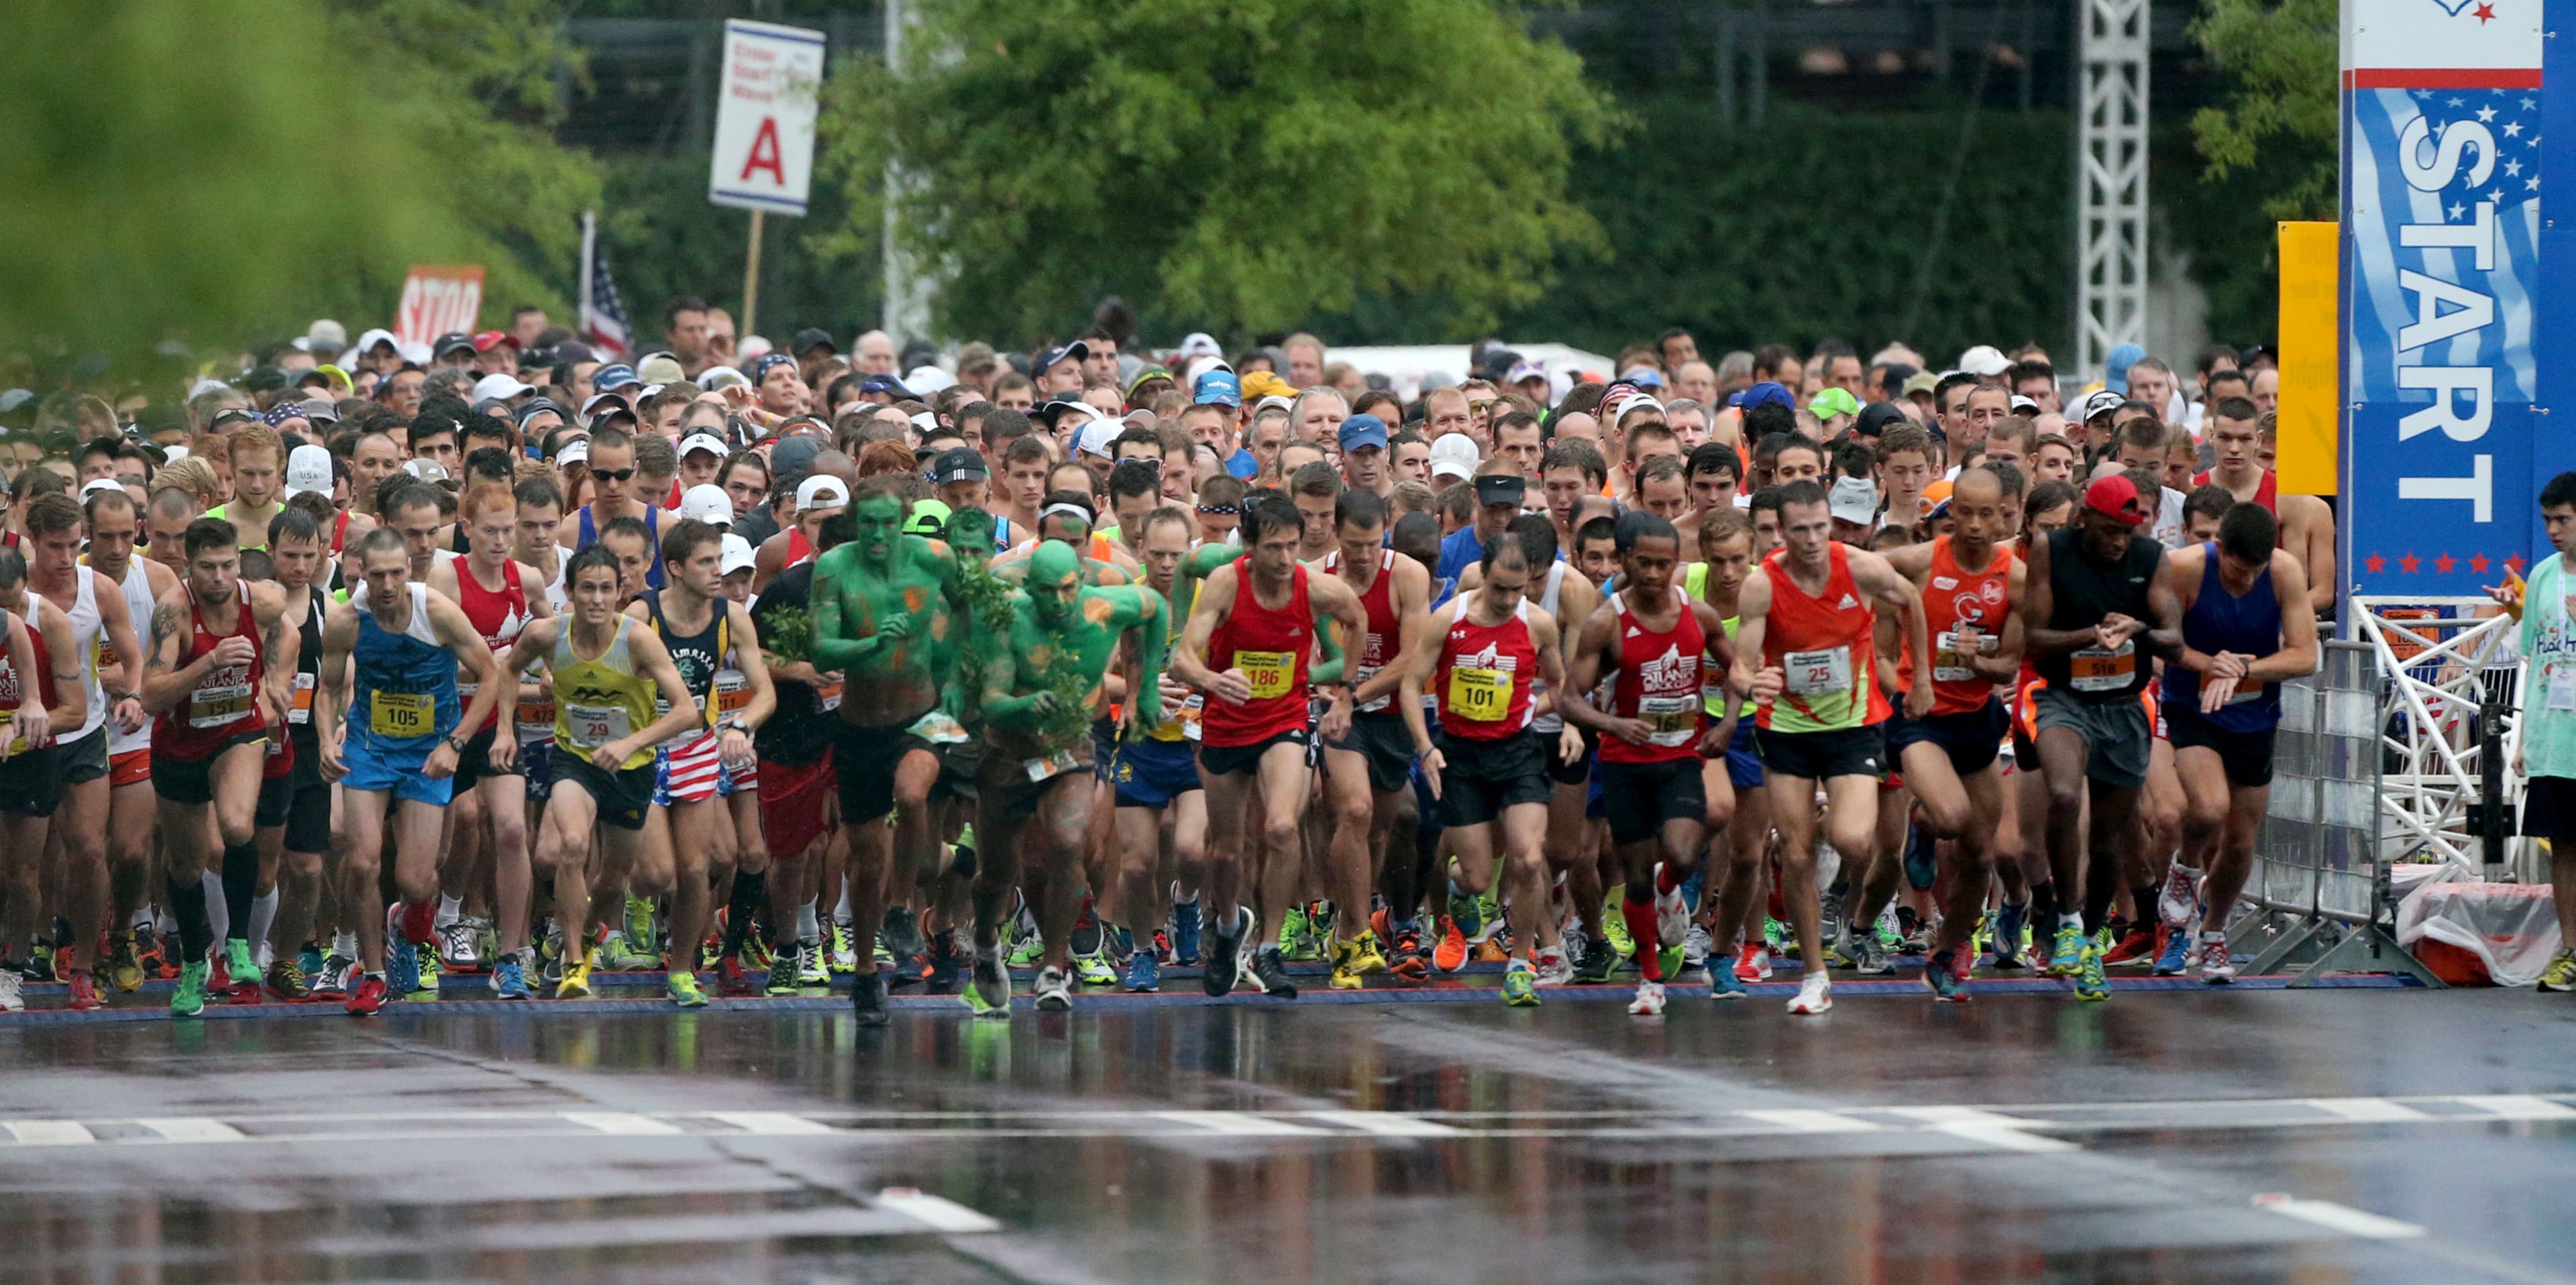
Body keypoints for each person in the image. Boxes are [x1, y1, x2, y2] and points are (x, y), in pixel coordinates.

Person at [1730, 478, 1929, 1015]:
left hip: (1852, 725)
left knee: (1853, 838)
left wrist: (1922, 678)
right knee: (1795, 854)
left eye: (1821, 526)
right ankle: (1814, 974)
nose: (1814, 539)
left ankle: (1832, 867)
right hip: (1788, 728)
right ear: (1782, 532)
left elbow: (1911, 596)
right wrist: (1754, 684)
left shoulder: (1857, 567)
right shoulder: (1763, 584)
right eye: (1801, 530)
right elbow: (1741, 666)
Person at [1167, 494, 1366, 998]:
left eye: (1292, 548)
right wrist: (1213, 680)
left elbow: (1356, 617)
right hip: (1227, 724)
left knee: (1281, 827)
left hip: (1283, 719)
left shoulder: (1314, 586)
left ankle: (1271, 948)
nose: (1284, 560)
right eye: (1273, 548)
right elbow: (1181, 660)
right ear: (1249, 547)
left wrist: (1346, 693)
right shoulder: (1226, 582)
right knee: (1226, 852)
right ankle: (1230, 924)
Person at [963, 540, 1165, 1013]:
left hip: (1069, 747)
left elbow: (1154, 609)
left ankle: (1055, 969)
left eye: (1068, 589)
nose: (1059, 601)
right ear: (1030, 589)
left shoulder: (1104, 607)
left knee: (1070, 842)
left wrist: (1145, 690)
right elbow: (990, 700)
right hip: (1008, 752)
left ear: (1081, 583)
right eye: (1048, 591)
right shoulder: (1006, 615)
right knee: (995, 874)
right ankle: (987, 942)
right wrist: (1021, 705)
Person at [498, 546, 704, 1001]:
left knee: (613, 881)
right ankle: (574, 963)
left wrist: (631, 742)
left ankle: (585, 934)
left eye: (606, 589)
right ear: (569, 592)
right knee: (571, 845)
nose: (596, 599)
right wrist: (503, 731)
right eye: (586, 589)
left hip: (631, 767)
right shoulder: (548, 634)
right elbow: (508, 671)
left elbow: (688, 711)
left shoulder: (637, 640)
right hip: (576, 759)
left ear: (620, 592)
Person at [315, 528, 504, 1013]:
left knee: (418, 881)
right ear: (360, 571)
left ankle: (410, 919)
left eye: (397, 573)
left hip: (427, 754)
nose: (387, 585)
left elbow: (490, 676)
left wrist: (455, 744)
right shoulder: (346, 621)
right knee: (362, 861)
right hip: (369, 748)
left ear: (410, 571)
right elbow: (327, 688)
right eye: (377, 574)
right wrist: (324, 739)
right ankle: (374, 974)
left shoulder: (436, 610)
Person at [808, 477, 970, 1023]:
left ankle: (904, 906)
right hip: (858, 725)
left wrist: (955, 677)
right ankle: (865, 973)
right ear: (857, 522)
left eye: (888, 522)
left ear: (901, 520)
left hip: (921, 716)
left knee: (914, 793)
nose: (878, 533)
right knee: (865, 859)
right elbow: (820, 645)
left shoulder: (936, 559)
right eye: (868, 522)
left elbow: (973, 611)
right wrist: (872, 643)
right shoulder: (835, 567)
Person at [1562, 511, 1735, 1015]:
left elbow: (1737, 670)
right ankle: (1651, 979)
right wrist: (1612, 725)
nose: (1655, 575)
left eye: (1665, 564)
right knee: (1634, 876)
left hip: (1682, 753)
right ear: (1625, 561)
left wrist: (1725, 723)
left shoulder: (1698, 614)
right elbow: (1570, 698)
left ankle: (1670, 890)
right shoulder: (1605, 622)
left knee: (1682, 855)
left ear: (1677, 563)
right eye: (1644, 564)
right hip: (1625, 763)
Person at [1400, 527, 1580, 1006]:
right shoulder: (1448, 618)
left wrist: (1553, 719)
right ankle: (1461, 891)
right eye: (1498, 587)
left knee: (1528, 856)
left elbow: (1560, 686)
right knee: (1477, 877)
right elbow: (1412, 683)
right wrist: (1425, 747)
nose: (1506, 599)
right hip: (1460, 753)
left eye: (1517, 590)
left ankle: (1522, 963)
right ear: (1483, 573)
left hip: (1517, 752)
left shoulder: (1539, 624)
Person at [2020, 473, 2182, 1001]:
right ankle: (2066, 918)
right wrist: (2092, 634)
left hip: (2123, 705)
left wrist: (2138, 631)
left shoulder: (2150, 557)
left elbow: (2175, 642)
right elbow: (2036, 641)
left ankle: (2089, 940)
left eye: (2127, 532)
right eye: (2110, 530)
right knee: (2065, 795)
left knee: (2111, 840)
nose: (2118, 541)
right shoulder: (2051, 549)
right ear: (2084, 518)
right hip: (2063, 696)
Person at [1874, 465, 2026, 999]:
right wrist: (1907, 690)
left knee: (1982, 854)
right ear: (1951, 513)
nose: (1979, 525)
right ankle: (1922, 821)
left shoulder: (2017, 577)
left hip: (1976, 719)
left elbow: (2009, 665)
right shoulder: (1917, 564)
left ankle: (1945, 953)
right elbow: (1882, 652)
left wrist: (1978, 662)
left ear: (2006, 515)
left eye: (1991, 515)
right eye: (1968, 513)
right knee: (1952, 817)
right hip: (1920, 719)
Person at [140, 518, 297, 1017]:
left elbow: (285, 631)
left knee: (235, 826)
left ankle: (238, 948)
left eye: (228, 565)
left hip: (238, 731)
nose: (219, 578)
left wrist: (274, 675)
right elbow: (149, 695)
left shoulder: (262, 600)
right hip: (181, 743)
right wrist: (209, 664)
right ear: (189, 566)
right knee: (185, 865)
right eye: (207, 567)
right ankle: (192, 960)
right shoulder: (174, 612)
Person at [2161, 501, 2316, 982]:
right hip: (2194, 706)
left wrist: (2246, 669)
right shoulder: (2185, 568)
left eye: (2256, 571)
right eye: (2236, 569)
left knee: (2241, 842)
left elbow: (2305, 654)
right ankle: (2186, 870)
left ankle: (2213, 931)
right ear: (2218, 547)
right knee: (2208, 808)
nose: (2246, 581)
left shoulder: (2284, 572)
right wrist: (2210, 664)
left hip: (2254, 713)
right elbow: (2162, 641)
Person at [627, 518, 774, 1008]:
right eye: (706, 562)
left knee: (697, 869)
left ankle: (683, 968)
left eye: (720, 561)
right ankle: (634, 898)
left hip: (695, 744)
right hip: (645, 746)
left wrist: (741, 727)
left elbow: (764, 692)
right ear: (674, 568)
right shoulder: (642, 614)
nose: (717, 571)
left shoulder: (732, 617)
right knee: (661, 874)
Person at [425, 486, 555, 997]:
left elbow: (551, 638)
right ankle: (423, 921)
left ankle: (512, 953)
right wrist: (494, 667)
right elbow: (436, 659)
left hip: (498, 721)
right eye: (491, 531)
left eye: (510, 530)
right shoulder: (446, 578)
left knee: (511, 831)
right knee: (434, 851)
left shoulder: (528, 579)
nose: (502, 541)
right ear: (467, 528)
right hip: (447, 721)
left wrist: (547, 674)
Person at [1316, 487, 1430, 988]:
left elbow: (1413, 659)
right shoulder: (1319, 577)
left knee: (1379, 830)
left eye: (1373, 544)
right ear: (1336, 532)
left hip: (1384, 713)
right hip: (1340, 716)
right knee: (1355, 811)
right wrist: (1327, 690)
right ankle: (1358, 933)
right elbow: (1305, 647)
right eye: (1354, 544)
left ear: (1387, 530)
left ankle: (1348, 929)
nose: (1363, 555)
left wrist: (1354, 694)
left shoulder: (1407, 574)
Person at [84, 489, 176, 995]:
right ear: (86, 534)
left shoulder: (158, 580)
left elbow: (169, 658)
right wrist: (108, 678)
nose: (118, 547)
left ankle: (121, 931)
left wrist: (136, 686)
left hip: (137, 731)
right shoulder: (64, 581)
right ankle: (79, 940)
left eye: (127, 535)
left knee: (132, 851)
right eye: (106, 537)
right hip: (80, 733)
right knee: (85, 851)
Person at [0, 548, 84, 1010]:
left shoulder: (48, 622)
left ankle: (13, 969)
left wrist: (19, 726)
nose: (4, 619)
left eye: (11, 606)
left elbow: (74, 711)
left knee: (21, 873)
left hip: (31, 754)